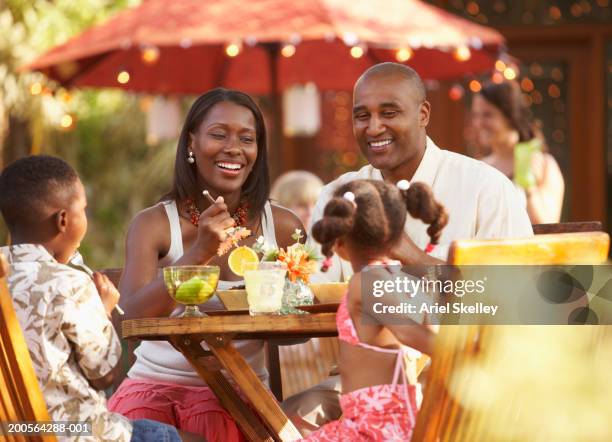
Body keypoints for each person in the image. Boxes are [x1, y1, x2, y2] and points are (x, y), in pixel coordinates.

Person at [282, 62, 533, 434]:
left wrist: (411, 255)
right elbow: (313, 285)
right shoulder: (340, 193)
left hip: (466, 385)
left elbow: (523, 301)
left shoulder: (485, 187)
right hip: (367, 390)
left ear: (423, 114)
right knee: (285, 419)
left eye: (389, 112)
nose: (374, 127)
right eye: (362, 115)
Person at [108, 88, 303, 441]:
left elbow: (298, 330)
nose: (234, 148)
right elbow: (128, 317)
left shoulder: (285, 226)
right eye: (218, 134)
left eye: (247, 138)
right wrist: (199, 253)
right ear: (191, 144)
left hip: (238, 395)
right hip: (154, 390)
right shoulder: (154, 224)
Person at [0, 155, 203, 442]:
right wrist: (103, 313)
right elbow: (104, 374)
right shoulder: (69, 283)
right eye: (83, 209)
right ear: (63, 220)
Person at [303, 178, 446, 440]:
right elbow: (429, 330)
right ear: (396, 235)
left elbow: (411, 335)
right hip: (400, 423)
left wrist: (468, 357)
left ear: (339, 240)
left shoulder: (365, 282)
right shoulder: (405, 280)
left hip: (373, 428)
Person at [471, 80, 565, 224]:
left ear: (510, 116)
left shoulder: (544, 164)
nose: (479, 123)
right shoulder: (478, 168)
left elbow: (546, 224)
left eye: (488, 115)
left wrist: (529, 186)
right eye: (476, 115)